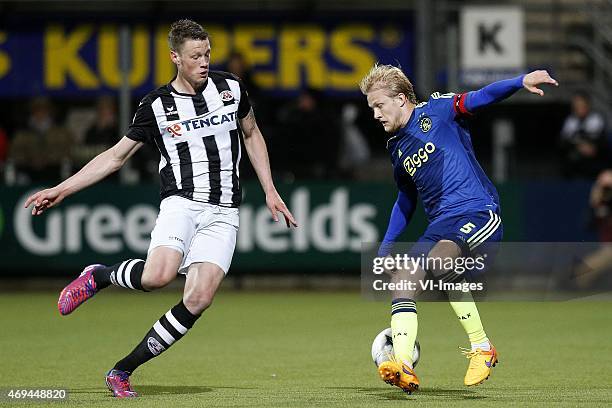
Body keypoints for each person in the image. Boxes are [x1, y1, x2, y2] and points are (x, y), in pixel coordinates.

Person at [25, 19, 297, 398]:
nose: (204, 62)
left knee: (199, 298)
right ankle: (100, 275)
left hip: (224, 210)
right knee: (156, 277)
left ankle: (122, 370)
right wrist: (63, 189)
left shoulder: (231, 88)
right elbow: (115, 157)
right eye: (194, 56)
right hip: (182, 203)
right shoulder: (156, 105)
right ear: (175, 57)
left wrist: (270, 189)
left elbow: (251, 134)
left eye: (207, 54)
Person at [359, 65, 558, 394]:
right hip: (441, 225)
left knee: (438, 262)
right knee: (404, 279)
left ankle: (482, 347)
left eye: (379, 106)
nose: (376, 114)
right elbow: (406, 198)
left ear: (401, 98)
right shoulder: (396, 147)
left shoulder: (437, 111)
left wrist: (520, 82)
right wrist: (385, 247)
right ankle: (403, 364)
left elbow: (481, 97)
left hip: (478, 211)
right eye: (372, 109)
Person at [560, 91, 608, 179]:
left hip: (595, 157)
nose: (579, 108)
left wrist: (592, 147)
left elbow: (602, 141)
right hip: (576, 157)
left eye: (582, 105)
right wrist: (578, 146)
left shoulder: (597, 119)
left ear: (588, 105)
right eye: (576, 106)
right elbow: (563, 141)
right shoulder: (570, 121)